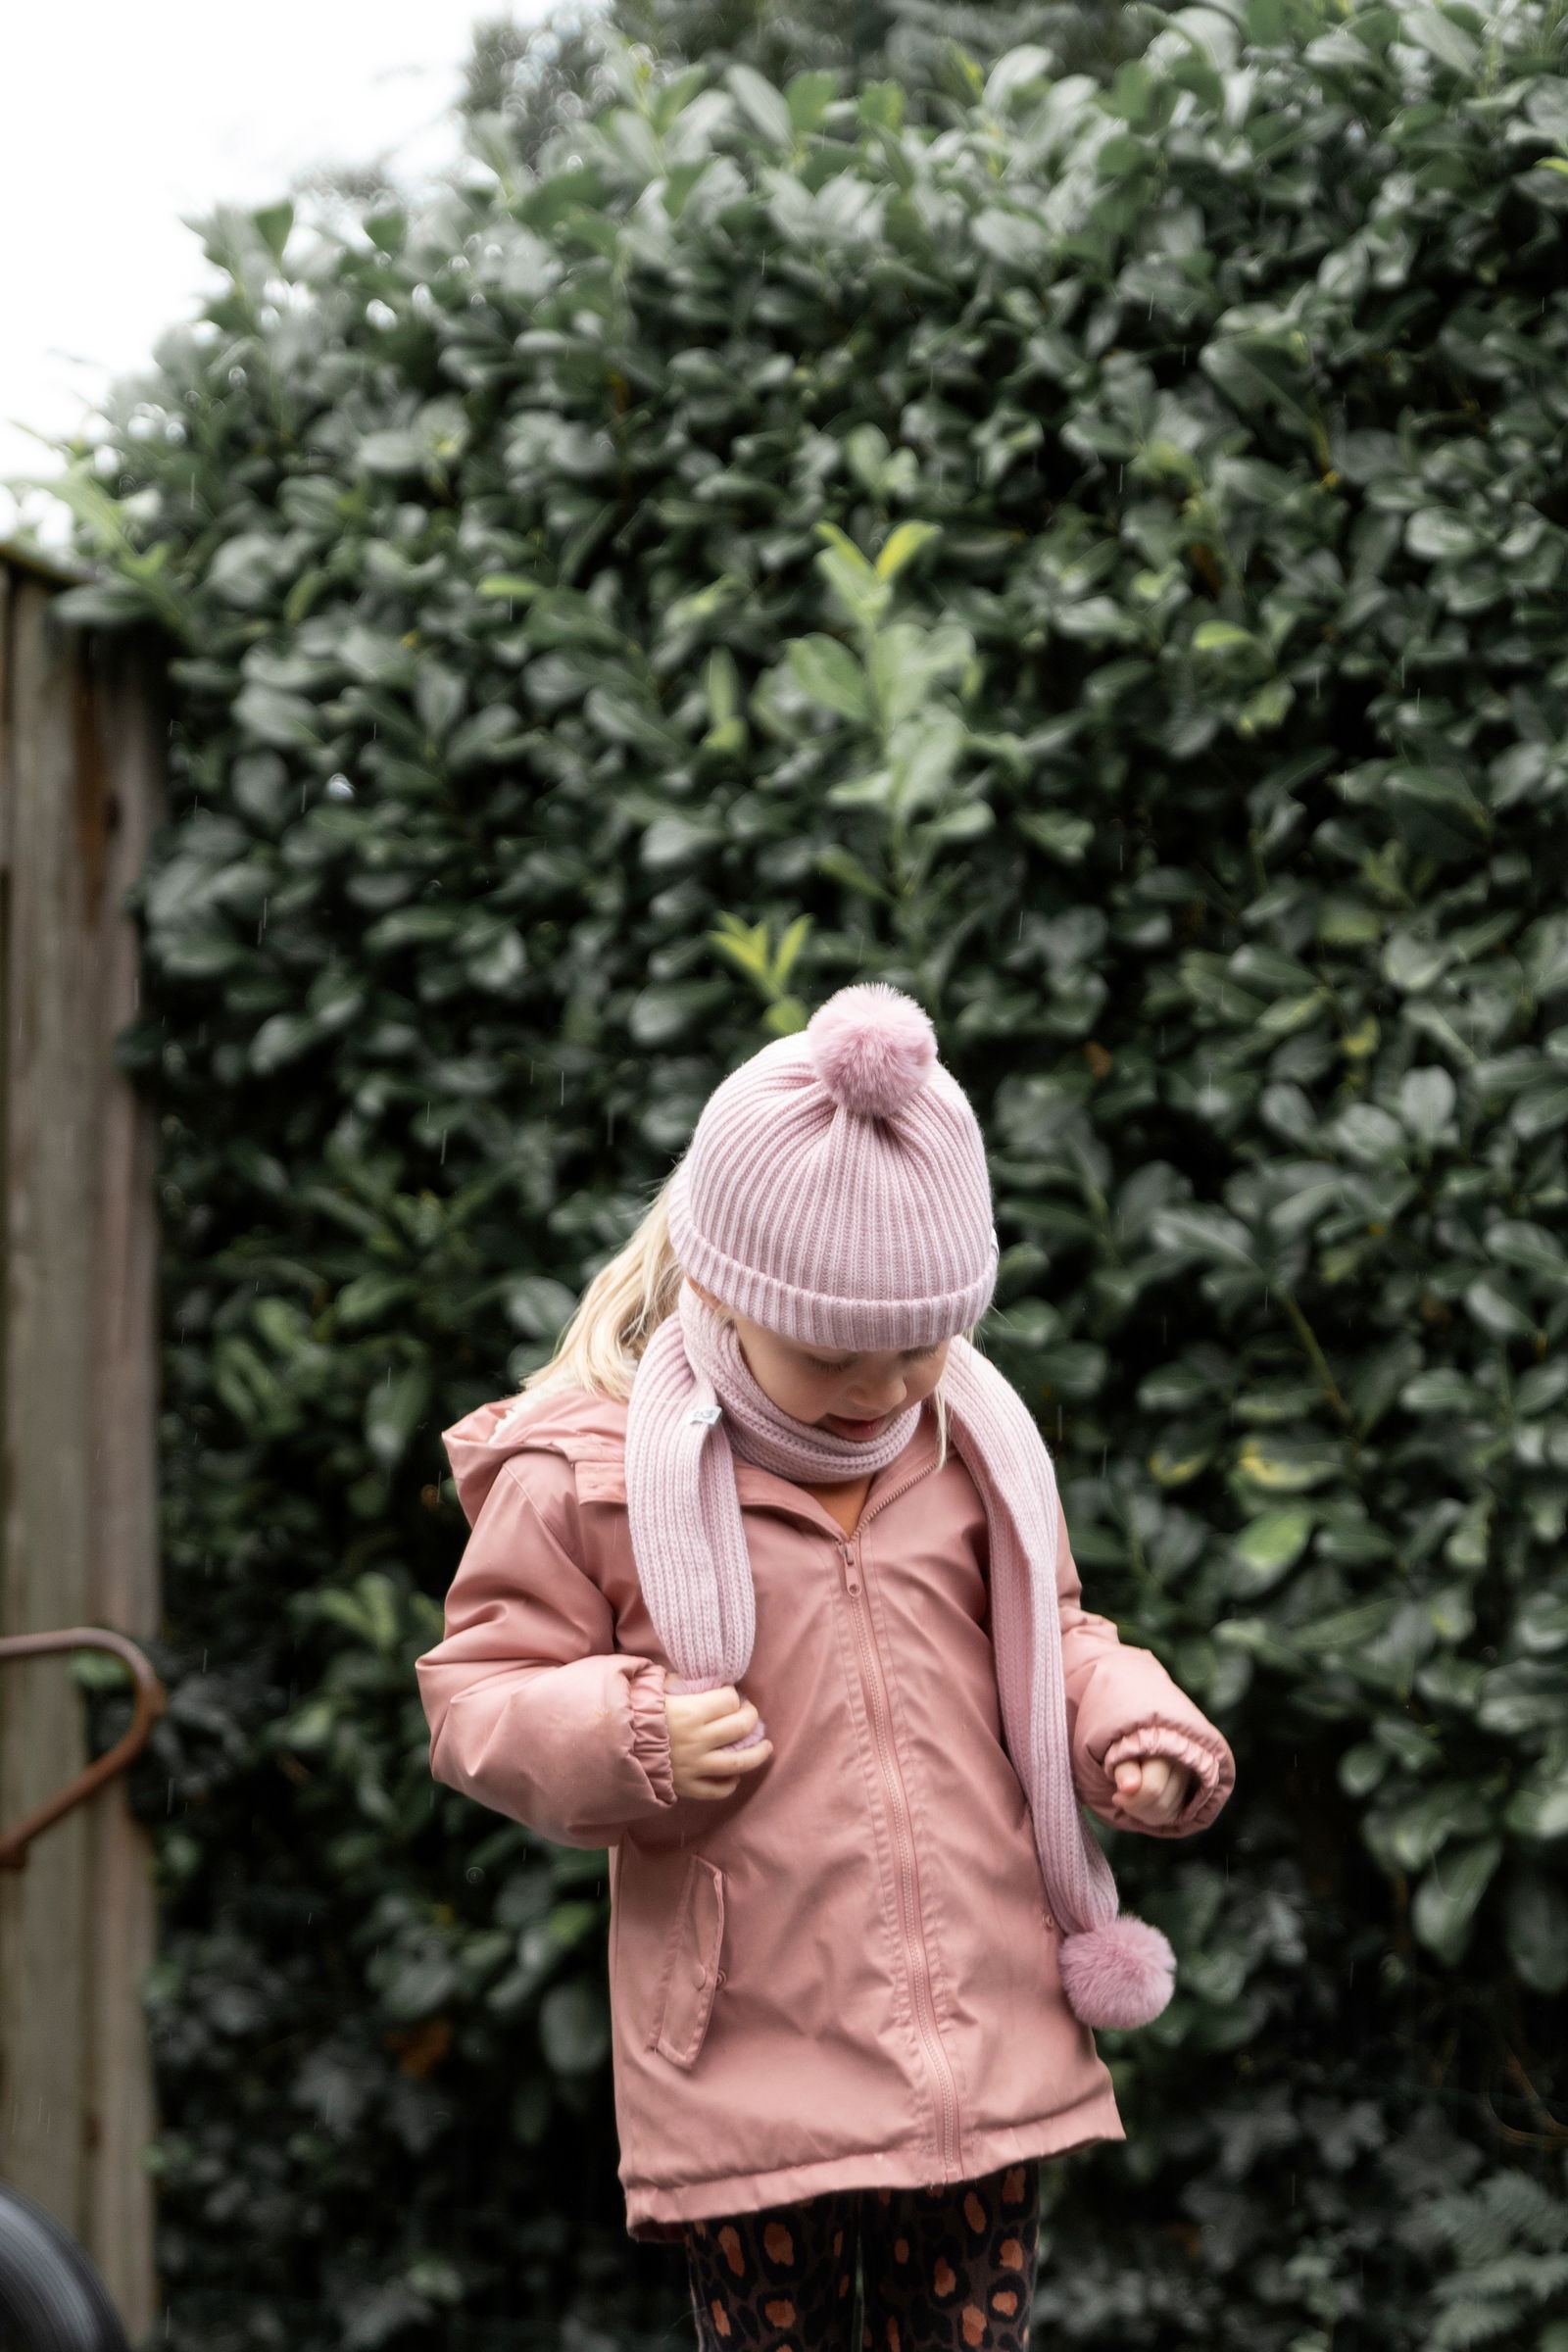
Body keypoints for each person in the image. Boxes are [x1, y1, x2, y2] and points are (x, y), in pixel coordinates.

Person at [416, 982, 1236, 2352]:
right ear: (730, 1288)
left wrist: (1133, 1733)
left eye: (921, 1343)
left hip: (986, 2032)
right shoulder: (596, 1475)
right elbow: (477, 1700)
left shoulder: (973, 1449)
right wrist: (633, 1730)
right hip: (753, 2049)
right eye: (834, 1354)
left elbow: (1056, 1641)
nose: (885, 1387)